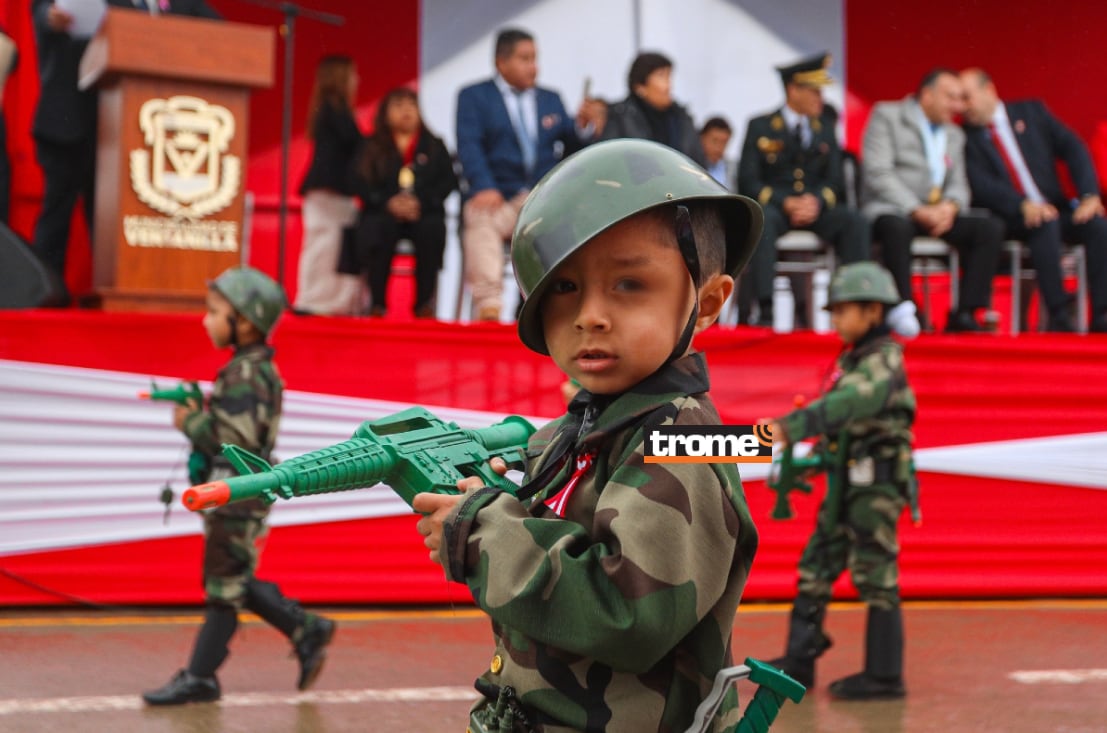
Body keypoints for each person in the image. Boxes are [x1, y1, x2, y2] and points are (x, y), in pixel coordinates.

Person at [413, 139, 762, 731]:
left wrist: (481, 530)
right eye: (565, 287)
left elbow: (630, 612)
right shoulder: (581, 429)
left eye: (628, 284)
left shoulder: (684, 437)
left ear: (706, 304)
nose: (590, 315)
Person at [142, 266, 336, 706]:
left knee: (224, 584)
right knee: (231, 578)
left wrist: (190, 421)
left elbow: (235, 440)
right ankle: (302, 630)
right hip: (237, 493)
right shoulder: (248, 368)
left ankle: (202, 676)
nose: (204, 320)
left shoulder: (247, 374)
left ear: (245, 321)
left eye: (214, 312)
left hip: (236, 493)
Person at [764, 261, 916, 701]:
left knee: (876, 573)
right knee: (816, 565)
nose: (835, 320)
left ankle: (886, 676)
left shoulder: (883, 361)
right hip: (845, 483)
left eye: (843, 310)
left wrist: (787, 428)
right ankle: (798, 662)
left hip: (876, 488)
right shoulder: (853, 359)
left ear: (872, 311)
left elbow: (852, 404)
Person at [29, 0, 220, 304]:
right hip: (68, 119)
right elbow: (43, 13)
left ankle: (107, 293)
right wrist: (50, 17)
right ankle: (42, 293)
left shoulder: (149, 5)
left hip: (120, 123)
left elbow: (215, 27)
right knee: (57, 211)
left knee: (107, 218)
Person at [455, 28, 605, 322]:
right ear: (501, 62)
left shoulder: (551, 99)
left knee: (579, 223)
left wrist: (584, 126)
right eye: (525, 59)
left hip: (543, 200)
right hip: (500, 196)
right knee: (479, 217)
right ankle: (489, 307)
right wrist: (484, 186)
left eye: (535, 58)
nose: (533, 66)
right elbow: (469, 146)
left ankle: (549, 308)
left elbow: (572, 146)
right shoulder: (474, 97)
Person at [960, 68, 1107, 333]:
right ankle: (1060, 314)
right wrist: (1021, 205)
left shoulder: (1032, 113)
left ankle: (1102, 314)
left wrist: (1088, 195)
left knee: (1096, 224)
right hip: (1014, 216)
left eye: (967, 97)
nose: (963, 107)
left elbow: (1073, 147)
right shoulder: (966, 138)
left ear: (989, 90)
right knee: (1044, 223)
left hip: (1056, 206)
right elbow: (981, 185)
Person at [861, 68, 1003, 333]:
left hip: (937, 213)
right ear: (927, 95)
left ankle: (966, 313)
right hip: (894, 208)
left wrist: (950, 207)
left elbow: (960, 183)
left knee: (989, 228)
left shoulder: (954, 134)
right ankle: (904, 308)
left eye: (962, 99)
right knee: (896, 227)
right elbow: (877, 172)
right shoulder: (887, 115)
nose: (958, 106)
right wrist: (915, 208)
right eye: (951, 98)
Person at [737, 52, 870, 328]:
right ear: (793, 89)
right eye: (813, 91)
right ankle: (765, 308)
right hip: (776, 207)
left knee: (854, 222)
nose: (819, 98)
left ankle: (854, 302)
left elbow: (834, 181)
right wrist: (785, 202)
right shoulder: (761, 126)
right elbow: (749, 181)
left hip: (814, 209)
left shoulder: (825, 129)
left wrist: (817, 201)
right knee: (761, 220)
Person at [350, 87, 457, 318]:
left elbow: (447, 182)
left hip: (423, 212)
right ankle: (377, 303)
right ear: (385, 113)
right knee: (378, 228)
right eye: (398, 106)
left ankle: (424, 304)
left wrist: (421, 203)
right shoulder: (371, 145)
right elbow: (360, 183)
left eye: (411, 105)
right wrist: (388, 202)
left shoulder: (434, 145)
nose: (406, 111)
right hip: (383, 211)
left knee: (431, 229)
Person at [293, 54, 364, 316]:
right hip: (329, 192)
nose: (358, 81)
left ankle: (326, 301)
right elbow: (354, 144)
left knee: (329, 246)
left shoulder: (334, 110)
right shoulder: (334, 110)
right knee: (324, 245)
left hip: (332, 193)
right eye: (353, 75)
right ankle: (314, 300)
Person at [600, 51, 705, 164]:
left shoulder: (682, 118)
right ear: (640, 87)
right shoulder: (620, 117)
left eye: (669, 76)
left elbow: (698, 163)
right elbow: (610, 161)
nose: (669, 85)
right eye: (661, 76)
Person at [700, 116, 733, 188]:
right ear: (702, 138)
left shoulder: (732, 170)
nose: (718, 148)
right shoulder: (690, 166)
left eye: (724, 142)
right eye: (715, 141)